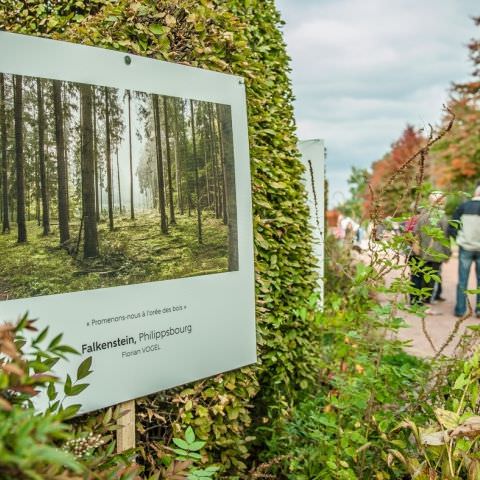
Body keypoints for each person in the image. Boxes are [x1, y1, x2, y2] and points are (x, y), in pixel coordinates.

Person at [410, 192, 451, 314]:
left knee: (420, 276)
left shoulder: (423, 215)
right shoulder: (442, 217)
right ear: (441, 202)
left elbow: (415, 233)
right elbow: (445, 238)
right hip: (436, 254)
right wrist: (447, 253)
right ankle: (426, 302)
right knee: (430, 279)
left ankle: (417, 302)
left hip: (422, 252)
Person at [449, 185, 480, 317]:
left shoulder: (463, 206)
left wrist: (458, 239)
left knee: (462, 280)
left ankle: (460, 310)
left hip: (465, 247)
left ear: (475, 193)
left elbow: (452, 226)